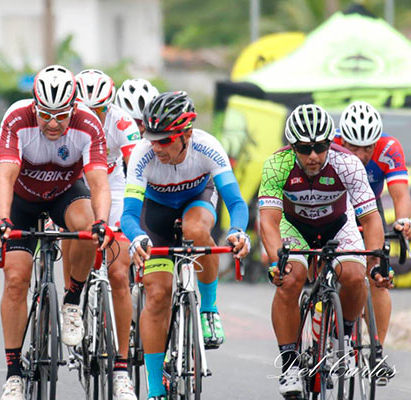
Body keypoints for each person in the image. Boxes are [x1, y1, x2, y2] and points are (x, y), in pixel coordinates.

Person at [0, 64, 113, 400]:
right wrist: (2, 220)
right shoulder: (17, 119)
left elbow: (99, 181)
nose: (54, 123)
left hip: (64, 194)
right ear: (34, 106)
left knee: (88, 228)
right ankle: (14, 373)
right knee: (16, 279)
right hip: (22, 201)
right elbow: (5, 177)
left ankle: (72, 301)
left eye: (61, 115)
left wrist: (102, 222)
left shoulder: (88, 123)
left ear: (74, 107)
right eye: (46, 114)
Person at [121, 91, 250, 400]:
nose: (156, 146)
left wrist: (238, 231)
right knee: (157, 295)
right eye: (152, 138)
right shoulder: (143, 154)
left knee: (196, 229)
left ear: (186, 134)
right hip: (157, 214)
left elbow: (235, 201)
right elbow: (128, 214)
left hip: (197, 201)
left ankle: (208, 309)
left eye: (164, 139)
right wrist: (137, 236)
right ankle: (154, 390)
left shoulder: (207, 147)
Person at [258, 104, 388, 398]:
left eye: (320, 147)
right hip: (295, 228)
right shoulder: (277, 164)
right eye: (305, 148)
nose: (314, 155)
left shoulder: (347, 163)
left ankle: (338, 337)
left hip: (338, 226)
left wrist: (377, 261)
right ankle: (290, 363)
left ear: (331, 142)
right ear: (293, 146)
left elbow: (370, 218)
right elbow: (268, 219)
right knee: (291, 279)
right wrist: (277, 260)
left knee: (355, 276)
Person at [70, 69, 140, 400]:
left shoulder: (122, 122)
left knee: (118, 272)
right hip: (75, 185)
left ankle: (122, 368)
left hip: (112, 187)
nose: (93, 118)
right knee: (75, 241)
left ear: (109, 106)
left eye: (100, 110)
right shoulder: (64, 121)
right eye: (86, 109)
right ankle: (74, 303)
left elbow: (137, 165)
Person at [334, 100, 407, 380]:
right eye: (354, 147)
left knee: (378, 277)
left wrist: (404, 221)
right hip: (335, 213)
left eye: (368, 148)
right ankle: (327, 321)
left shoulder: (389, 148)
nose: (362, 154)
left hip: (369, 215)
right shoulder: (331, 144)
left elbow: (400, 194)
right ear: (343, 139)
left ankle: (376, 351)